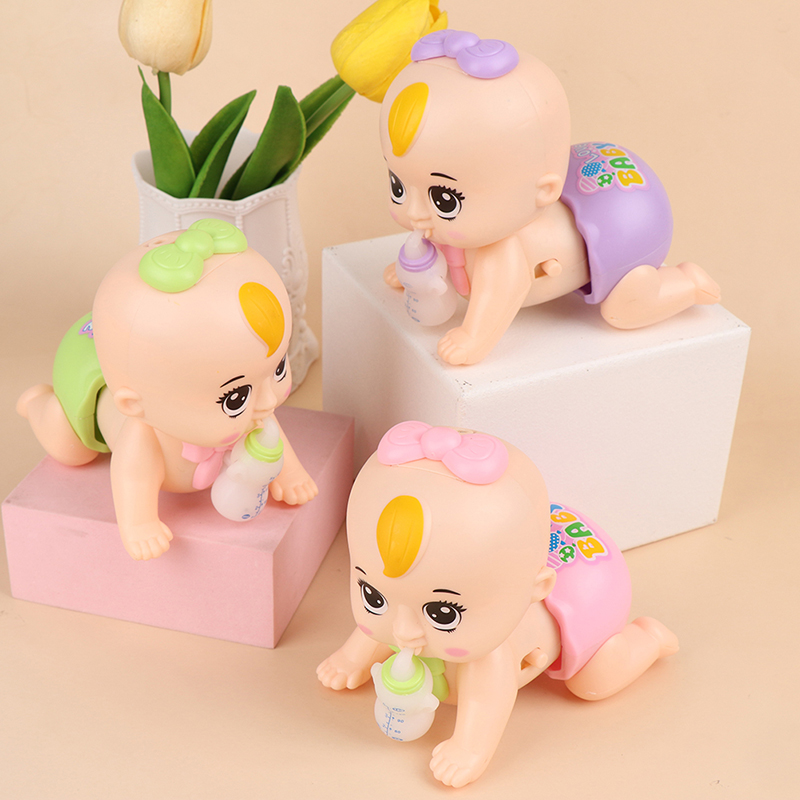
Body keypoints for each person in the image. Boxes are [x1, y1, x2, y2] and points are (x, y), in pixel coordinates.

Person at [318, 420, 678, 788]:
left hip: (590, 590)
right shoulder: (410, 615)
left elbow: (486, 699)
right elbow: (398, 604)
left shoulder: (489, 654)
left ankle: (648, 638)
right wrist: (352, 658)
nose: (402, 630)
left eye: (443, 613)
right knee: (412, 597)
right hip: (520, 542)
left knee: (594, 680)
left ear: (534, 588)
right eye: (373, 596)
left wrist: (468, 748)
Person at [381, 30, 720, 365]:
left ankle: (688, 282)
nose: (414, 213)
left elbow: (498, 296)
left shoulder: (501, 253)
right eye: (399, 185)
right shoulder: (456, 225)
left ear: (542, 190)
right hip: (590, 183)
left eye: (445, 200)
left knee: (623, 312)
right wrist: (416, 273)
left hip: (629, 231)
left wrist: (472, 337)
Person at [18, 220, 317, 560]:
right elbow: (133, 479)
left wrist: (289, 474)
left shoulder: (255, 410)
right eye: (235, 398)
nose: (269, 400)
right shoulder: (143, 437)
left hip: (134, 348)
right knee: (70, 450)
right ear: (136, 405)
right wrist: (140, 523)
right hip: (82, 373)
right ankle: (38, 402)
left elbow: (272, 439)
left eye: (277, 368)